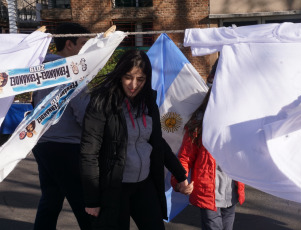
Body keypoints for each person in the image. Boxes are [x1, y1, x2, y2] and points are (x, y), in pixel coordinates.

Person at [80, 49, 188, 230]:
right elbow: (89, 153)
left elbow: (157, 142)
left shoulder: (148, 102)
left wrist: (180, 174)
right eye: (128, 77)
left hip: (144, 184)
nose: (133, 85)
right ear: (120, 75)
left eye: (140, 79)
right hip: (114, 186)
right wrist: (92, 199)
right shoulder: (102, 102)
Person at [31, 22, 91, 230]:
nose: (87, 48)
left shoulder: (42, 68)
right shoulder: (71, 70)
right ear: (69, 44)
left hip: (43, 142)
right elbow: (83, 112)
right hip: (66, 145)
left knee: (51, 200)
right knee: (85, 204)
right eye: (84, 43)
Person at [171, 87, 245, 230]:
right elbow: (185, 157)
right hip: (208, 193)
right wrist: (180, 180)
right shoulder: (198, 125)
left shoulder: (238, 123)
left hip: (231, 192)